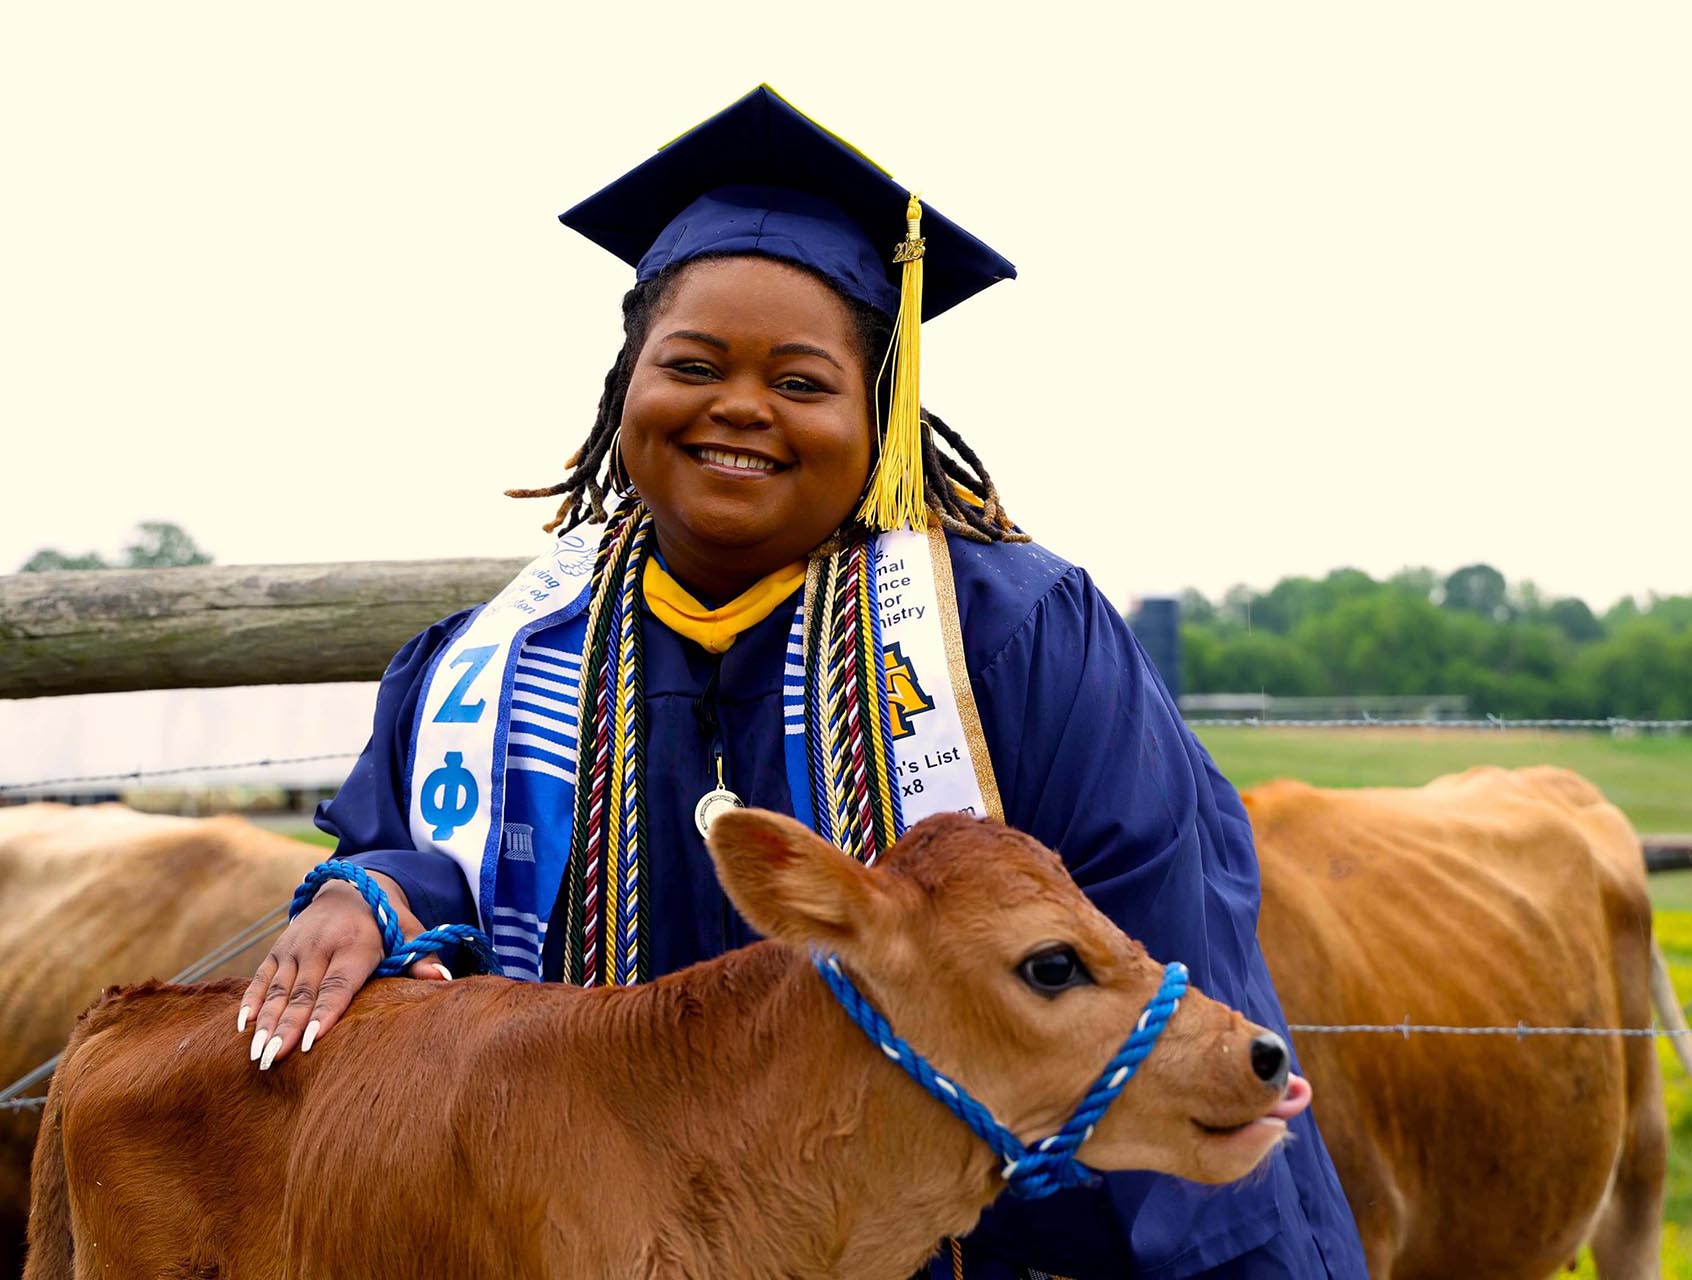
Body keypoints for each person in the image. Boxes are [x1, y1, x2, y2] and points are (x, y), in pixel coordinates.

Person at [236, 86, 1366, 1278]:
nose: (740, 407)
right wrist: (372, 892)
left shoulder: (1014, 639)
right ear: (629, 383)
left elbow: (1160, 954)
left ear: (880, 411)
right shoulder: (494, 659)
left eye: (802, 380)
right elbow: (431, 874)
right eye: (693, 364)